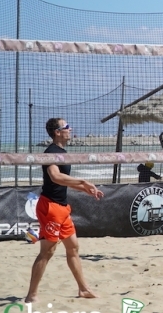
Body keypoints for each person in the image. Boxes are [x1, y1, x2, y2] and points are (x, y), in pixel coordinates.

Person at [25, 118, 104, 303]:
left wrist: (86, 189)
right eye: (66, 127)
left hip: (62, 208)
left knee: (73, 247)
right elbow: (56, 177)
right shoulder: (51, 152)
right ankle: (31, 295)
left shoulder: (62, 152)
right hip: (50, 207)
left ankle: (83, 289)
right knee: (47, 252)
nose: (70, 129)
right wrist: (83, 182)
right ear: (58, 132)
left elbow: (64, 182)